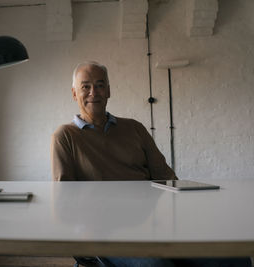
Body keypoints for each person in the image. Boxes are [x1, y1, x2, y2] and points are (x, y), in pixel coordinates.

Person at [50, 61, 251, 267]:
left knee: (234, 257)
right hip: (108, 232)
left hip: (156, 224)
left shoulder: (135, 128)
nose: (94, 92)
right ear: (75, 94)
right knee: (157, 266)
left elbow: (166, 177)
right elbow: (65, 200)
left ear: (108, 91)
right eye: (86, 86)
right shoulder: (64, 137)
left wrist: (189, 210)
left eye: (100, 85)